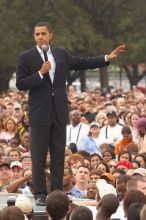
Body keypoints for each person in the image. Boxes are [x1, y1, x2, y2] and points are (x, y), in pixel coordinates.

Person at [16, 21, 125, 206]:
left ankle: (57, 193)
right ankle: (41, 194)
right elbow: (20, 84)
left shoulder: (61, 54)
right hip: (39, 115)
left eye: (43, 33)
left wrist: (106, 57)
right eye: (37, 34)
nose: (40, 37)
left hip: (59, 112)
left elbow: (82, 62)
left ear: (51, 35)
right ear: (34, 37)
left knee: (59, 156)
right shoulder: (26, 57)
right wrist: (40, 73)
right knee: (39, 158)